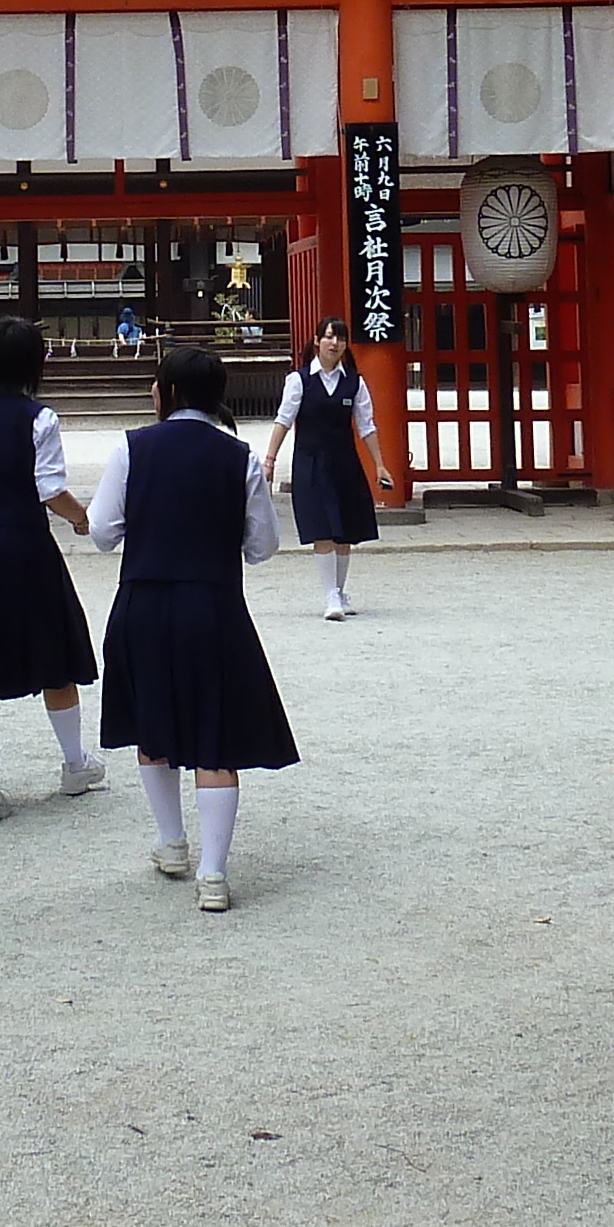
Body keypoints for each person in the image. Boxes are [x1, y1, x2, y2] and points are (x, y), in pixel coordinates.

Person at [93, 341, 298, 913]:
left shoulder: (133, 448)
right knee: (215, 739)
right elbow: (263, 546)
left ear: (170, 392)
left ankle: (171, 844)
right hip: (214, 606)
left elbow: (103, 531)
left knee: (152, 728)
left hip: (145, 601)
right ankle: (213, 873)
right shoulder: (239, 457)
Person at [0, 315, 104, 823]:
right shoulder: (39, 417)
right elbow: (48, 487)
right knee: (53, 651)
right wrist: (82, 518)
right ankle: (75, 764)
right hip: (24, 545)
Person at [268, 319, 397, 618]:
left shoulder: (355, 382)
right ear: (316, 341)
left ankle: (339, 591)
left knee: (345, 531)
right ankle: (330, 596)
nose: (334, 343)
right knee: (322, 528)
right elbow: (283, 420)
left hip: (344, 462)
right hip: (310, 461)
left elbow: (367, 426)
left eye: (339, 338)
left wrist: (380, 465)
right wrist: (269, 460)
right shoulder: (299, 380)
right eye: (328, 337)